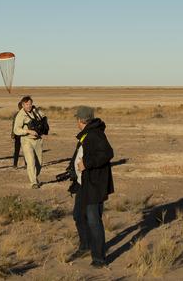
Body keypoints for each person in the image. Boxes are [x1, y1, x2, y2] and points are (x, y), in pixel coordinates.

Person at [65, 106, 114, 268]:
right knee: (79, 215)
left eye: (76, 119)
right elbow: (81, 153)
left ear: (80, 120)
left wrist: (87, 163)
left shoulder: (96, 134)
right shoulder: (86, 133)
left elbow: (107, 153)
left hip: (94, 185)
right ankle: (85, 246)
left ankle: (99, 258)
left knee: (93, 220)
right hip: (82, 184)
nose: (76, 122)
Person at [11, 95, 46, 188]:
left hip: (38, 140)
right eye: (27, 104)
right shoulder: (20, 115)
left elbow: (43, 119)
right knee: (31, 161)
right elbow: (16, 130)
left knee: (39, 163)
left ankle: (34, 176)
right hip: (27, 140)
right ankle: (33, 182)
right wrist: (28, 131)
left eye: (30, 104)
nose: (29, 106)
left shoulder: (36, 111)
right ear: (22, 105)